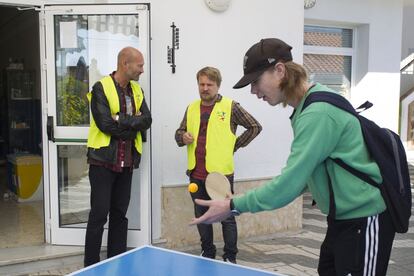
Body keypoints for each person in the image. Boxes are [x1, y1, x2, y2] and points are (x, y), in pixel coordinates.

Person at [190, 39, 396, 276]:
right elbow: (302, 179)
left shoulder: (317, 113)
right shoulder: (306, 107)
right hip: (341, 220)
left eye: (256, 81)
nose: (254, 91)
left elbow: (289, 184)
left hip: (364, 219)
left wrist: (233, 206)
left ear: (279, 70)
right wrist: (239, 202)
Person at [175, 66, 262, 263]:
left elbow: (255, 127)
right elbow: (178, 133)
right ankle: (207, 253)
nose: (205, 88)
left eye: (209, 85)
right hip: (196, 175)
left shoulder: (231, 107)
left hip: (221, 176)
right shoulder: (191, 108)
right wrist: (183, 136)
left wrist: (235, 145)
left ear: (218, 86)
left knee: (227, 218)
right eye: (201, 84)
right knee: (202, 216)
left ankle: (230, 257)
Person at [84, 47, 152, 266]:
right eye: (139, 65)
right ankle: (91, 266)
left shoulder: (137, 90)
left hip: (127, 162)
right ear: (125, 64)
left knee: (120, 215)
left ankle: (116, 263)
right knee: (99, 215)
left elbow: (147, 120)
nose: (142, 70)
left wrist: (119, 119)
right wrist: (132, 124)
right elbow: (104, 124)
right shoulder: (100, 88)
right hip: (102, 161)